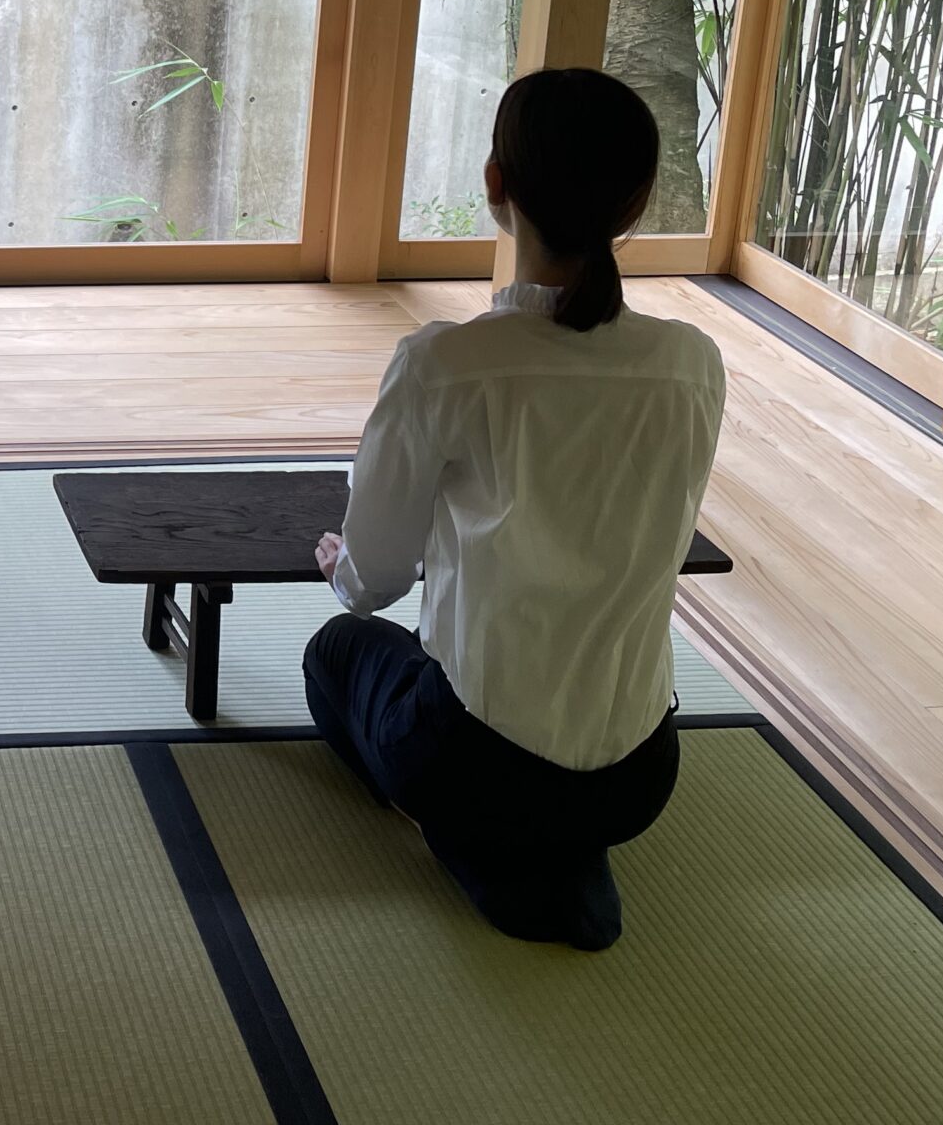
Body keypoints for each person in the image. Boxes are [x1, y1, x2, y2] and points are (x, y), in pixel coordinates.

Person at [305, 67, 725, 950]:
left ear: (495, 185)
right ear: (638, 201)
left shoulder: (444, 366)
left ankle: (476, 848)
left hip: (474, 760)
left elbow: (371, 582)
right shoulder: (691, 364)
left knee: (335, 655)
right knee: (534, 754)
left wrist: (337, 565)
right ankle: (565, 852)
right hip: (641, 775)